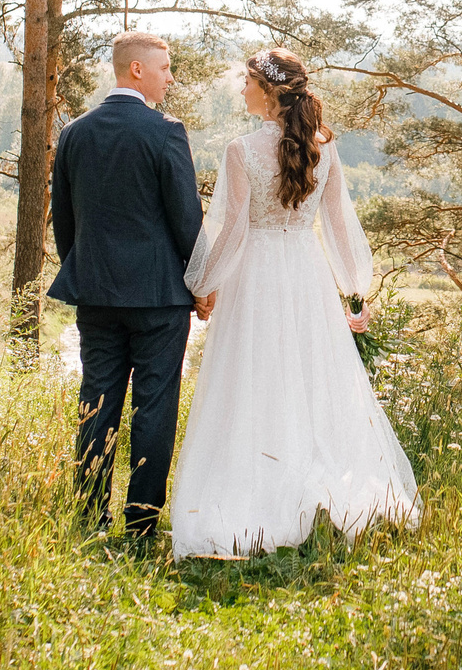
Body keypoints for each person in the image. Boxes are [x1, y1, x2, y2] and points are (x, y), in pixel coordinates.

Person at [168, 46, 420, 559]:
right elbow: (339, 222)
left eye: (247, 82)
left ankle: (262, 492)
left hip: (255, 276)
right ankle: (315, 482)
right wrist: (355, 290)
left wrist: (202, 284)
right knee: (311, 376)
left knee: (255, 375)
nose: (242, 90)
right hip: (307, 274)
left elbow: (231, 230)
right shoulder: (323, 146)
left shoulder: (241, 150)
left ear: (267, 91)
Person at [48, 30, 201, 540]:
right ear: (137, 69)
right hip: (159, 297)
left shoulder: (74, 133)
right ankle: (141, 522)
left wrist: (86, 271)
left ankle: (89, 515)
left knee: (97, 400)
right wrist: (201, 283)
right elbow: (187, 220)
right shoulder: (165, 132)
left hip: (96, 294)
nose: (169, 77)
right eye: (164, 67)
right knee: (155, 404)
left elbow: (64, 220)